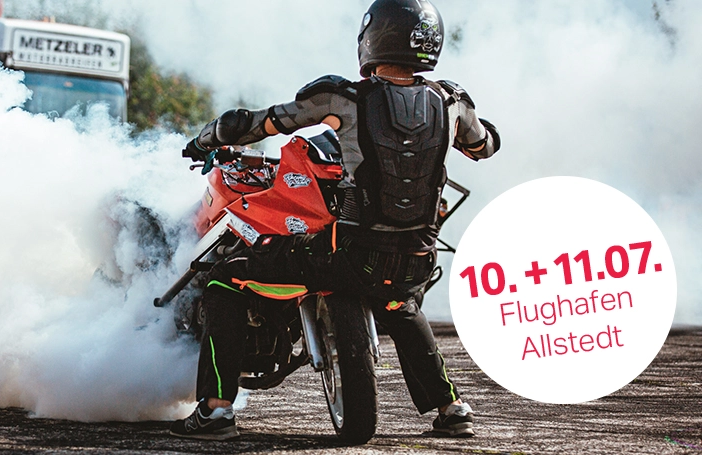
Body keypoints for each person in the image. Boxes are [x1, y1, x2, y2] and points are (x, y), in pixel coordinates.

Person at [169, 0, 500, 442]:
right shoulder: (452, 101)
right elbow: (485, 147)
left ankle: (214, 412)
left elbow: (257, 124)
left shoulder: (340, 97)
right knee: (400, 303)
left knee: (224, 282)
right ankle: (451, 407)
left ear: (372, 38)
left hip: (345, 255)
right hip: (413, 260)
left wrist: (209, 136)